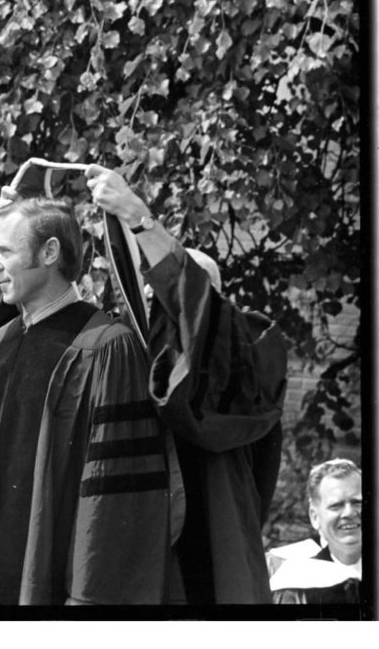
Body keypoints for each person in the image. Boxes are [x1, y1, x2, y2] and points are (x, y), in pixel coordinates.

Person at [0, 190, 175, 605]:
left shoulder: (107, 349)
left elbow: (112, 502)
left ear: (49, 252)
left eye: (4, 251)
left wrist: (87, 598)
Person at [86, 164, 287, 604]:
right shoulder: (134, 356)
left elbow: (202, 318)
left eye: (182, 297)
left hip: (221, 533)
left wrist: (139, 219)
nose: (169, 315)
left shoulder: (250, 348)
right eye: (156, 297)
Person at [270, 459, 362, 604]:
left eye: (358, 502)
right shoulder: (293, 583)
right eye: (336, 506)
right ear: (315, 517)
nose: (349, 513)